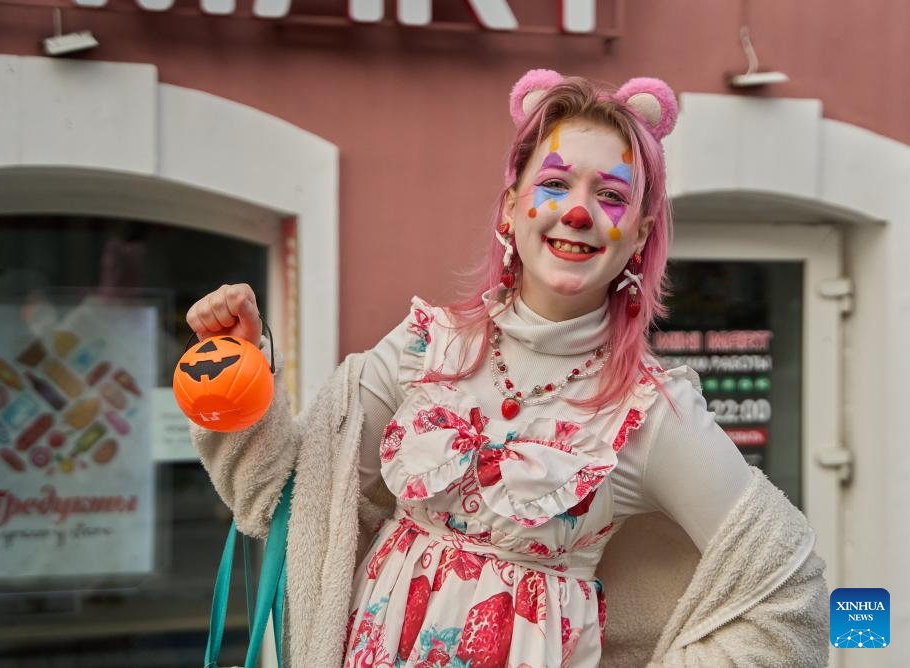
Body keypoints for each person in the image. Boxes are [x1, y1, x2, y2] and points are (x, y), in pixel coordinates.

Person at [187, 71, 828, 667]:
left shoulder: (650, 411)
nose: (578, 212)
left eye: (610, 195)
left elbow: (789, 590)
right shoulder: (423, 347)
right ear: (510, 207)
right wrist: (243, 371)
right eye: (555, 183)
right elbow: (293, 501)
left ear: (638, 235)